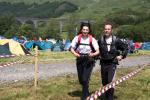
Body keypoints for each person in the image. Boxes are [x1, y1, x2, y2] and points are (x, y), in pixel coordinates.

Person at [98, 22, 128, 100]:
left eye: (108, 29)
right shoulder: (100, 40)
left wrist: (121, 56)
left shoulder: (116, 40)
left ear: (111, 30)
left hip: (112, 63)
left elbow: (125, 48)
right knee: (104, 82)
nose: (107, 30)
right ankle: (107, 95)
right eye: (105, 29)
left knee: (110, 81)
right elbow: (96, 50)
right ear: (103, 30)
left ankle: (110, 97)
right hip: (103, 63)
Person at [70, 21, 99, 100]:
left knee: (85, 78)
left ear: (89, 30)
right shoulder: (77, 38)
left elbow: (98, 51)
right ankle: (86, 89)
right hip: (79, 59)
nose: (85, 31)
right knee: (81, 80)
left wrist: (92, 54)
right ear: (81, 30)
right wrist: (75, 54)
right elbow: (71, 48)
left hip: (89, 59)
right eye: (84, 29)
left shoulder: (92, 39)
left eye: (87, 30)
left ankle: (84, 97)